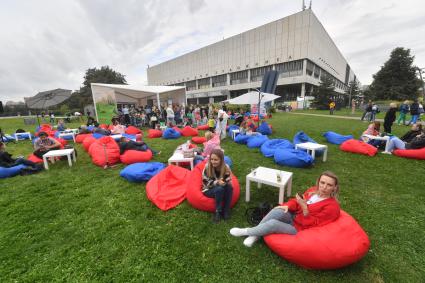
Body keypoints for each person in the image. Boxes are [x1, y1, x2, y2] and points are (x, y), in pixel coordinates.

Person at [230, 171, 340, 247]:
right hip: (294, 217)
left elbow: (316, 224)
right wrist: (287, 206)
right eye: (322, 182)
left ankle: (246, 231)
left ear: (334, 188)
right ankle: (256, 234)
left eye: (329, 185)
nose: (324, 187)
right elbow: (296, 202)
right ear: (318, 182)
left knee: (273, 223)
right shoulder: (312, 191)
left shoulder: (332, 206)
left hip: (300, 228)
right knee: (277, 210)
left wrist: (305, 209)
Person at [202, 148, 233, 222]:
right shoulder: (207, 167)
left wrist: (225, 181)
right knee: (219, 189)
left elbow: (228, 178)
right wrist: (216, 182)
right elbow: (205, 182)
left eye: (216, 160)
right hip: (208, 189)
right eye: (212, 159)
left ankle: (226, 210)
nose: (213, 161)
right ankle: (218, 211)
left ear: (221, 160)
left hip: (221, 186)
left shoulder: (226, 167)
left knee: (229, 188)